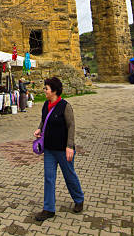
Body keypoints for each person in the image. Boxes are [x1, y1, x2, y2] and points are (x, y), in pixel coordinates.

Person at [33, 77, 84, 221]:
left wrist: (70, 146)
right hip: (49, 149)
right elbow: (44, 119)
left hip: (63, 149)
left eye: (46, 88)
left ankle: (79, 199)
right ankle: (49, 209)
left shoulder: (65, 106)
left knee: (69, 175)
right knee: (49, 178)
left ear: (54, 91)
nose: (44, 90)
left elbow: (71, 126)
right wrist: (39, 129)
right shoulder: (45, 104)